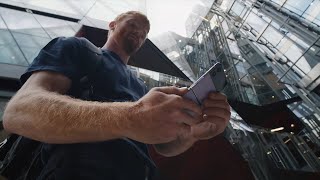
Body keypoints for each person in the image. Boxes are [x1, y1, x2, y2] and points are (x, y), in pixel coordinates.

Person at [2, 11, 231, 179]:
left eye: (143, 33)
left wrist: (194, 131)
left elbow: (164, 147)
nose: (138, 33)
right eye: (133, 25)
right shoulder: (77, 47)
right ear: (112, 25)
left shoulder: (142, 88)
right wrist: (131, 117)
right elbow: (20, 111)